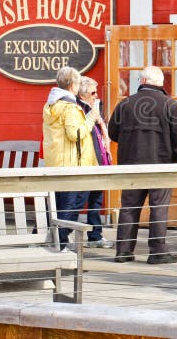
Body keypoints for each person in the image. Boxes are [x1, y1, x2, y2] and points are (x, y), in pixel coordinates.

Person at [108, 66, 177, 264]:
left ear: (142, 82)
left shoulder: (125, 104)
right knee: (159, 207)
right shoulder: (171, 105)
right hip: (161, 165)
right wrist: (175, 158)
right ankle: (157, 252)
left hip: (131, 165)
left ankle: (123, 251)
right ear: (161, 84)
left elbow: (112, 133)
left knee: (128, 207)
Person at [42, 67, 100, 251]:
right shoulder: (70, 108)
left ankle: (56, 243)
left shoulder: (51, 105)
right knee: (68, 207)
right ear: (73, 85)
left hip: (56, 162)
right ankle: (60, 245)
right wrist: (91, 117)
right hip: (72, 164)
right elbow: (76, 134)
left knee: (59, 205)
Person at [75, 76, 115, 249]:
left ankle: (95, 235)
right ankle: (60, 235)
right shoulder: (79, 110)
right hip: (84, 163)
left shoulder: (93, 109)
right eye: (93, 92)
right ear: (82, 94)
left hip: (97, 161)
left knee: (96, 201)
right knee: (76, 201)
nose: (96, 95)